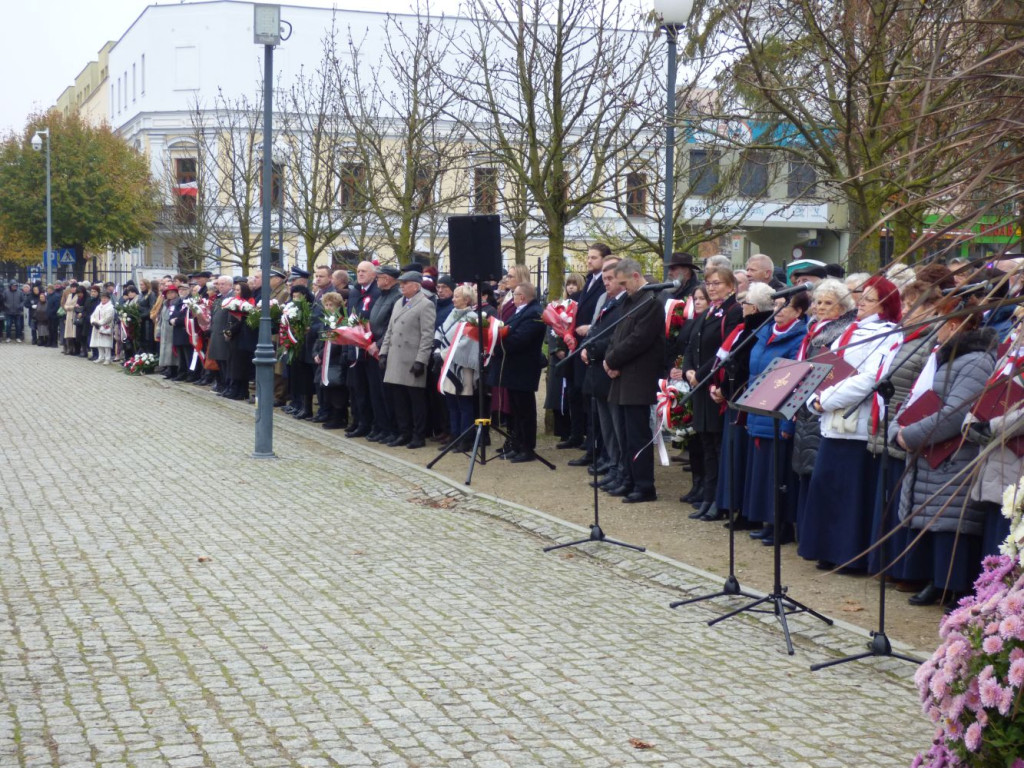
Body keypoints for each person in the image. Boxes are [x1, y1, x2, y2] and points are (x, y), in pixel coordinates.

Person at [893, 299, 997, 606]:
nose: (934, 330)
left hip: (954, 453)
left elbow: (956, 412)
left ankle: (952, 585)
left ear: (954, 326)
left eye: (939, 322)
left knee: (950, 523)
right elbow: (917, 397)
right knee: (931, 518)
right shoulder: (943, 357)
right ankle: (935, 581)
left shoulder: (976, 361)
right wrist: (898, 428)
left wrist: (910, 435)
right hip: (929, 450)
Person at [801, 275, 902, 572]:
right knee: (826, 485)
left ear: (884, 305)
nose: (860, 303)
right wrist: (814, 396)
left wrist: (827, 399)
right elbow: (829, 367)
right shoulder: (851, 330)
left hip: (856, 418)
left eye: (869, 299)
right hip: (832, 416)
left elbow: (871, 377)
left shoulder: (889, 333)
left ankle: (849, 554)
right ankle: (825, 548)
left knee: (851, 490)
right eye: (861, 297)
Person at [742, 289, 810, 545]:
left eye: (784, 307)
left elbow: (793, 381)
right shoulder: (766, 333)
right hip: (759, 407)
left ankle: (782, 525)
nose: (777, 312)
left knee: (778, 473)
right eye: (776, 307)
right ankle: (767, 522)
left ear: (799, 311)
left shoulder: (798, 338)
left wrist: (787, 420)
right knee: (762, 471)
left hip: (779, 410)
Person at [791, 279, 857, 532]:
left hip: (822, 404)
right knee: (803, 467)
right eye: (818, 302)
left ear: (842, 307)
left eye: (828, 303)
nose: (820, 307)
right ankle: (803, 527)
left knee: (817, 468)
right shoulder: (814, 331)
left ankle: (813, 529)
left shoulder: (840, 333)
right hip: (805, 404)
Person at [603, 259, 665, 503]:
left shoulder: (650, 303)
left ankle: (644, 485)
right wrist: (609, 360)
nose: (622, 288)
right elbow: (617, 335)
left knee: (638, 435)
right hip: (622, 376)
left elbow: (639, 340)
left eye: (624, 283)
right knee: (625, 435)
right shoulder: (630, 302)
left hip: (638, 376)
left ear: (636, 276)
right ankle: (628, 478)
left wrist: (613, 361)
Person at [683, 266, 744, 519]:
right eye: (708, 283)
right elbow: (692, 344)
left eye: (717, 283)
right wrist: (688, 370)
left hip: (714, 383)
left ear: (731, 286)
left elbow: (725, 347)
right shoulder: (709, 311)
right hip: (699, 383)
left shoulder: (733, 311)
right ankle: (708, 497)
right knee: (706, 444)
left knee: (717, 446)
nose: (711, 287)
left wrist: (701, 374)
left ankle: (719, 499)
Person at [488, 281, 547, 463]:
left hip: (524, 368)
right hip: (513, 368)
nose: (512, 298)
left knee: (525, 410)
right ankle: (517, 443)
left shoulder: (534, 313)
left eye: (514, 295)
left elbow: (521, 339)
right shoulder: (521, 311)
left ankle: (527, 447)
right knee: (515, 410)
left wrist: (494, 346)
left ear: (522, 297)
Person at [379, 271, 436, 448]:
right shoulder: (398, 303)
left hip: (412, 359)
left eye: (405, 283)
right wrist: (383, 352)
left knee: (415, 400)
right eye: (401, 283)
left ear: (416, 286)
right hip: (396, 358)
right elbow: (390, 330)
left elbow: (427, 335)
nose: (401, 286)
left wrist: (421, 360)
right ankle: (404, 433)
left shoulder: (425, 304)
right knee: (399, 399)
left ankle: (418, 435)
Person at [567, 245, 611, 464]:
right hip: (582, 344)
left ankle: (597, 450)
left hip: (595, 345)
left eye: (594, 258)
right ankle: (590, 446)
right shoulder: (590, 281)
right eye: (588, 257)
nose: (589, 261)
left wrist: (589, 329)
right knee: (585, 399)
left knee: (595, 404)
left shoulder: (606, 284)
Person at [669, 284, 710, 503]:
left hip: (702, 381)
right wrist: (680, 369)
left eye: (703, 298)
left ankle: (705, 485)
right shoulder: (691, 323)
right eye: (696, 298)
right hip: (688, 380)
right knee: (692, 439)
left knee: (702, 441)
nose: (699, 302)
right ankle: (696, 483)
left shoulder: (710, 323)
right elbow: (684, 350)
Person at [435, 284, 480, 448]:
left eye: (457, 296)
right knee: (452, 404)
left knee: (464, 404)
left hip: (463, 366)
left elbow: (466, 344)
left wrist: (443, 354)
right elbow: (441, 330)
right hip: (448, 364)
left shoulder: (473, 317)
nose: (453, 299)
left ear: (467, 299)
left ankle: (465, 438)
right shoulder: (453, 313)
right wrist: (436, 348)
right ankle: (454, 437)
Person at [344, 261, 383, 438]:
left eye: (364, 271)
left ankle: (376, 424)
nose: (360, 274)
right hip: (356, 346)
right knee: (358, 388)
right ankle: (361, 422)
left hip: (371, 348)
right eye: (358, 271)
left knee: (372, 390)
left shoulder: (377, 292)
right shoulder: (354, 292)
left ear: (374, 274)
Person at [89, 290, 117, 365]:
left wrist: (99, 323)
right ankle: (100, 357)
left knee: (106, 344)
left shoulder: (110, 307)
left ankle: (107, 358)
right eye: (102, 298)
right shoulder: (98, 306)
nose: (103, 300)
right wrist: (93, 322)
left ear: (108, 299)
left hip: (105, 327)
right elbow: (93, 315)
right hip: (96, 327)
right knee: (99, 343)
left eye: (105, 298)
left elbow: (108, 317)